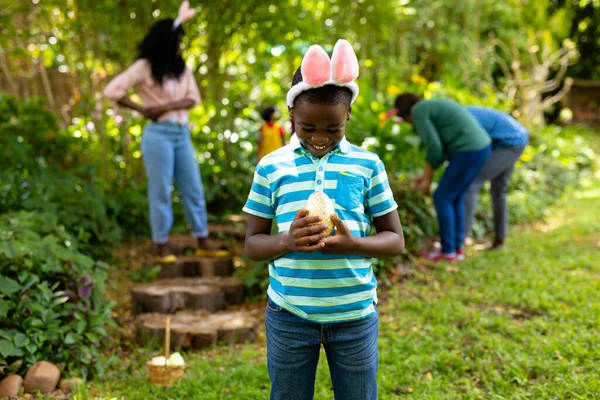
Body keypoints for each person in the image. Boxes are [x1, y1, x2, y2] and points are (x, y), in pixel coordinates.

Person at [243, 40, 404, 400]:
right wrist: (285, 241)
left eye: (332, 129)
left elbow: (394, 239)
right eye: (307, 127)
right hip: (289, 313)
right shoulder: (271, 167)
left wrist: (354, 245)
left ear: (348, 116)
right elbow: (253, 244)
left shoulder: (367, 165)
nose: (319, 138)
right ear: (291, 117)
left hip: (354, 314)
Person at [103, 1, 227, 263]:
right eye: (178, 41)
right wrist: (141, 109)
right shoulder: (145, 67)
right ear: (166, 41)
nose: (180, 45)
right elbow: (112, 91)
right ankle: (161, 246)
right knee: (160, 190)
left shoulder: (182, 67)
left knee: (193, 188)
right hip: (157, 135)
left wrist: (163, 107)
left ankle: (202, 240)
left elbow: (194, 98)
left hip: (181, 135)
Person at [392, 94, 492, 262]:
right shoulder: (431, 105)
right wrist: (425, 175)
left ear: (405, 114)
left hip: (468, 150)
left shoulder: (419, 111)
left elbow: (435, 147)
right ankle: (456, 249)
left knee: (442, 197)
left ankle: (448, 250)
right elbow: (442, 146)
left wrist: (427, 180)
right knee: (455, 197)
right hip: (481, 148)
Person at [463, 106, 529, 250]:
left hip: (510, 141)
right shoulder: (462, 112)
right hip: (515, 138)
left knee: (471, 183)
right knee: (498, 191)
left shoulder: (459, 119)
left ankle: (461, 239)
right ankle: (499, 241)